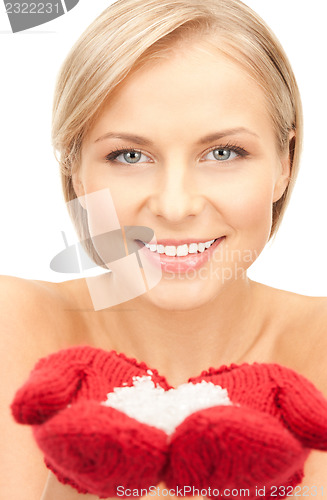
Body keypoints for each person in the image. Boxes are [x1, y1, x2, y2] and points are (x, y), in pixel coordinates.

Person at [1, 0, 327, 498]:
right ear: (74, 169)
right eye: (128, 155)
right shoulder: (11, 328)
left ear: (285, 161)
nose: (175, 207)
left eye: (223, 153)